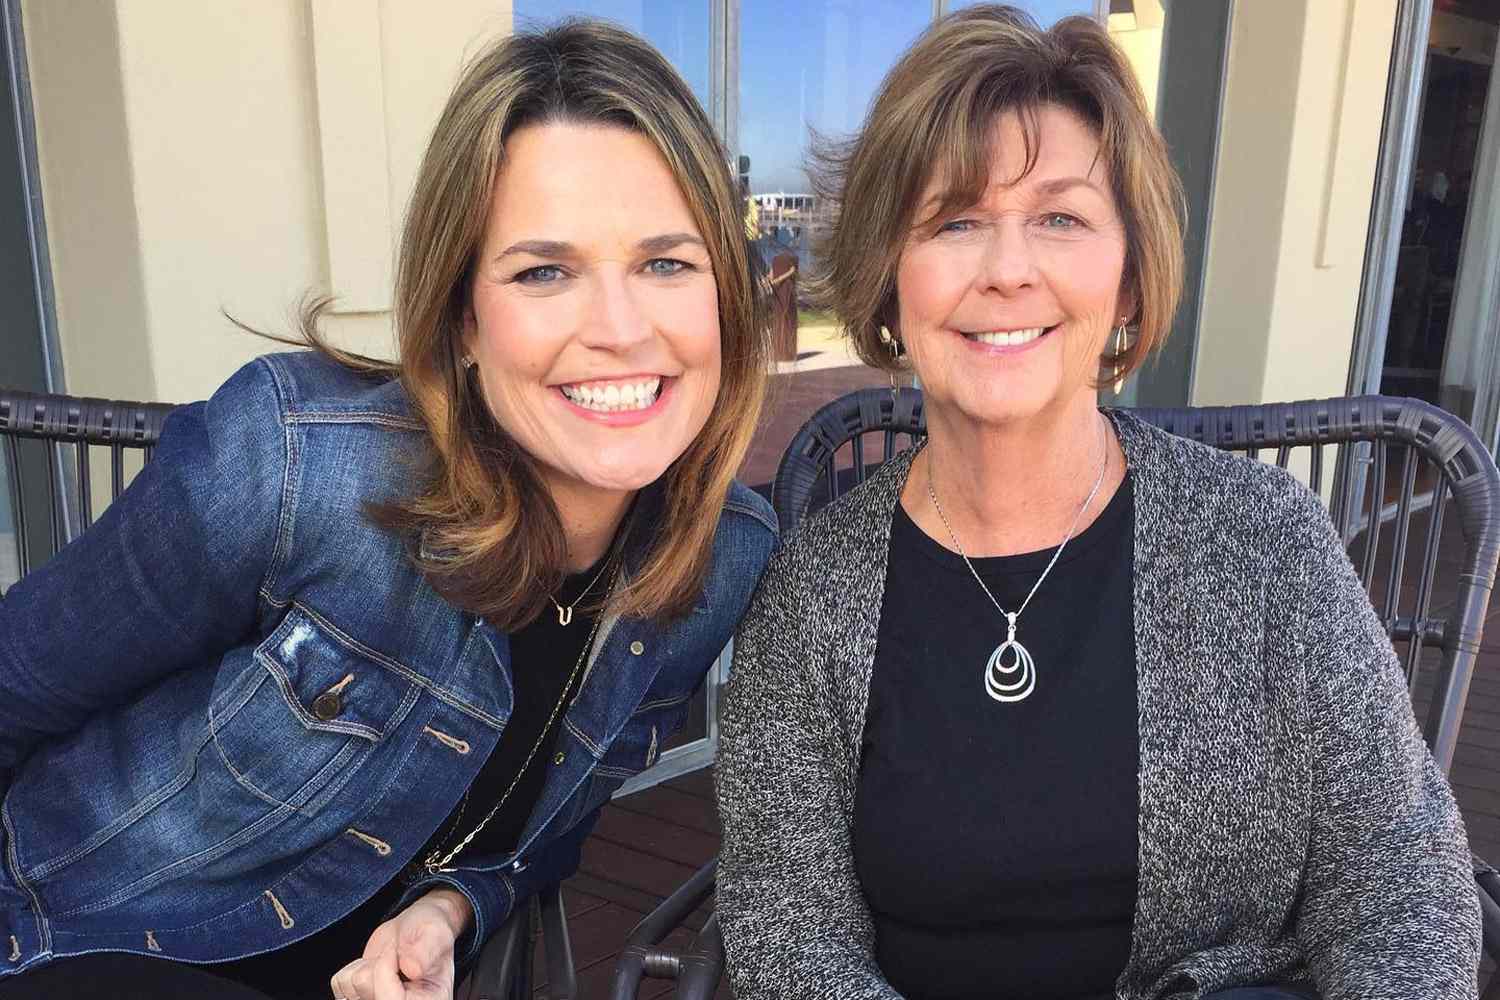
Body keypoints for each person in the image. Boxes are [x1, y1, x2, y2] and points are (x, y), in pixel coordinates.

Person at [0, 18, 776, 1000]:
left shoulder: (720, 558)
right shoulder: (294, 464)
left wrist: (447, 908)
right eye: (543, 271)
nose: (620, 329)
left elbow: (556, 817)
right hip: (73, 941)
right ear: (463, 318)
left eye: (666, 263)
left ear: (725, 299)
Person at [713, 7, 1480, 1000]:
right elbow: (784, 921)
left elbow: (1398, 876)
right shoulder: (811, 593)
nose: (1007, 270)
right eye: (954, 221)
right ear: (890, 283)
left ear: (1126, 282)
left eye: (1061, 218)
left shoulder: (1265, 543)